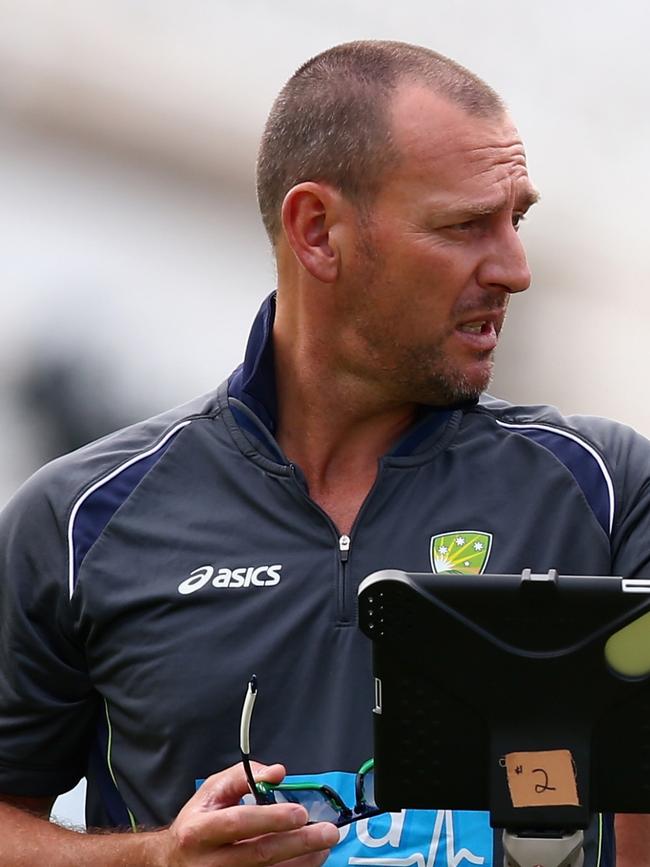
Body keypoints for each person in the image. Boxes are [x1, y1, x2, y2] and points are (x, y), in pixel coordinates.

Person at [0, 39, 648, 867]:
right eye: (464, 225)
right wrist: (158, 859)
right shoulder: (80, 518)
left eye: (515, 219)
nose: (515, 268)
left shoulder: (609, 486)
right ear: (318, 231)